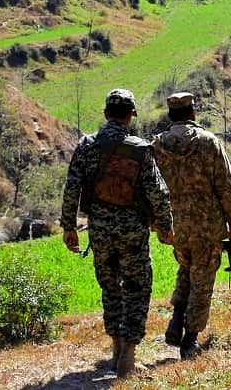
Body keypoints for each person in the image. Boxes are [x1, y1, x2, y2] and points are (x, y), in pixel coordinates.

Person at [61, 89, 173, 378]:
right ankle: (129, 355)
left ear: (106, 114)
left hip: (99, 231)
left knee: (110, 287)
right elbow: (158, 193)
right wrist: (165, 226)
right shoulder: (140, 149)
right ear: (130, 116)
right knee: (137, 287)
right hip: (133, 232)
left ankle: (115, 348)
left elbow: (72, 187)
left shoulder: (86, 146)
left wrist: (69, 226)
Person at [153, 91, 231, 358]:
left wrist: (157, 224)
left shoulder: (157, 146)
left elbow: (150, 188)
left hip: (175, 226)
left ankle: (176, 318)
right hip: (207, 226)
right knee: (202, 280)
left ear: (171, 115)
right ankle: (190, 338)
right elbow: (226, 186)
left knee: (186, 270)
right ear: (193, 112)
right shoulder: (208, 142)